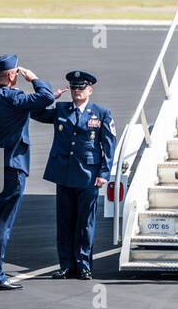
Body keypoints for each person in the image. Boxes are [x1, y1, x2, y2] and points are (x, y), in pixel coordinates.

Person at [0, 54, 54, 291]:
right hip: (10, 168)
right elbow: (45, 97)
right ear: (12, 75)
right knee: (1, 225)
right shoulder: (15, 97)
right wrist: (34, 78)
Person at [29, 71, 114, 280]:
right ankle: (66, 265)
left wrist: (104, 172)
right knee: (65, 222)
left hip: (88, 175)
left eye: (81, 87)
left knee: (85, 223)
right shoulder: (60, 109)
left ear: (90, 90)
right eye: (74, 87)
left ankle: (84, 265)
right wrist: (51, 96)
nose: (77, 91)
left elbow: (108, 144)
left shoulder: (101, 113)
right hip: (64, 174)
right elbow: (34, 112)